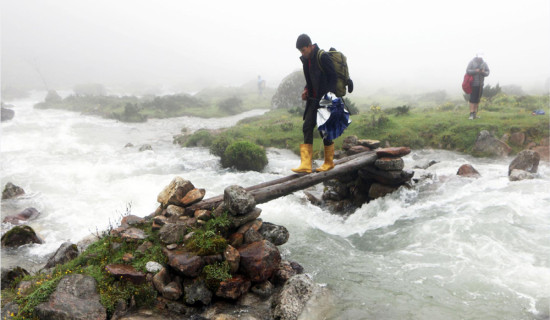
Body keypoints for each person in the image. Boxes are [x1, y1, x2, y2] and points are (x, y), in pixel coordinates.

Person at [292, 34, 337, 173]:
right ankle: (306, 164)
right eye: (300, 51)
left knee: (324, 130)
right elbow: (310, 80)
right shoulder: (307, 60)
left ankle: (329, 162)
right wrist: (306, 90)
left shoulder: (322, 56)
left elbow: (333, 77)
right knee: (307, 127)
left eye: (303, 50)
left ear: (310, 46)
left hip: (324, 100)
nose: (302, 53)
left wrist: (328, 99)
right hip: (313, 100)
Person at [466, 52, 490, 120]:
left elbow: (487, 72)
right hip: (473, 84)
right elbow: (467, 71)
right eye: (479, 56)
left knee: (477, 99)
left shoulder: (484, 63)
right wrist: (475, 71)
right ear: (476, 56)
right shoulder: (472, 62)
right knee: (472, 99)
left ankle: (475, 114)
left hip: (480, 84)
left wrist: (483, 72)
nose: (480, 58)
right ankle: (471, 114)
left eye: (481, 57)